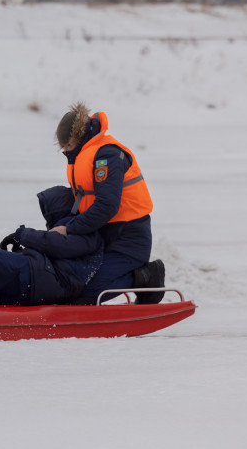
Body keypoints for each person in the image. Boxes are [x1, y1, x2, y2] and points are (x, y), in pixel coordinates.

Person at [53, 103, 165, 302]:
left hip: (128, 240)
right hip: (102, 235)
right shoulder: (84, 154)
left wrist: (69, 230)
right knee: (69, 282)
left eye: (67, 145)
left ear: (78, 138)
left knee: (87, 291)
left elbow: (107, 205)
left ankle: (145, 276)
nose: (65, 151)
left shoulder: (107, 156)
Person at [0, 186, 104, 306]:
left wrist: (22, 235)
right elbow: (55, 247)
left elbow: (57, 245)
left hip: (44, 280)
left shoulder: (87, 232)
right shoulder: (70, 228)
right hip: (42, 277)